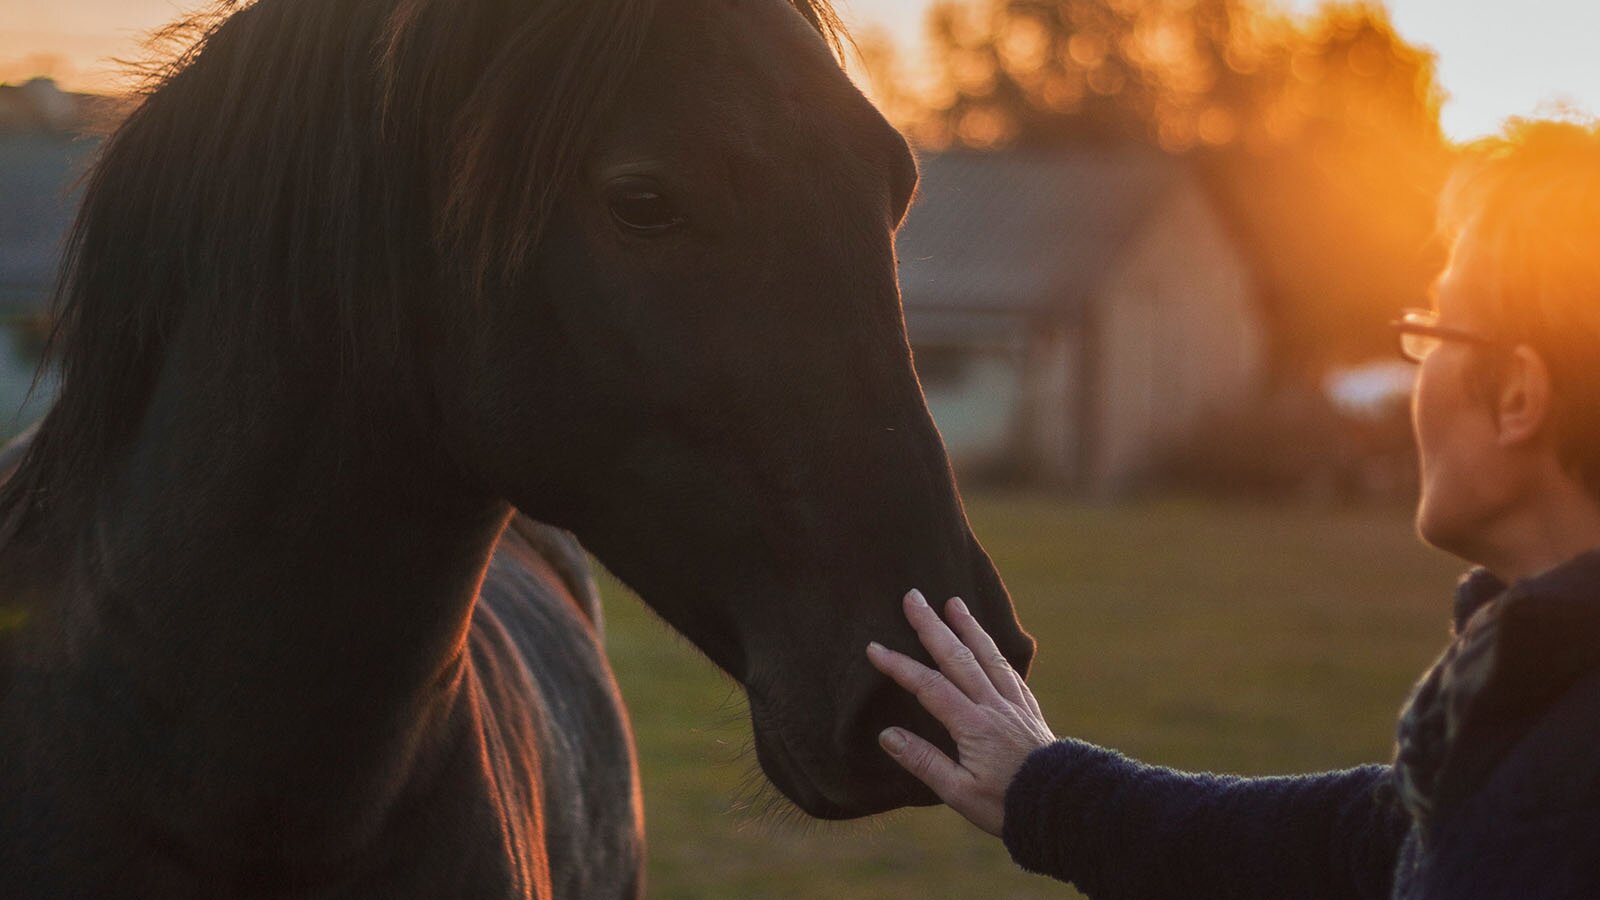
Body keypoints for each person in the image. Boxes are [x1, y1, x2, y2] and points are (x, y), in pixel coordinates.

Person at [867, 117, 1600, 899]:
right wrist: (1044, 788)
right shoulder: (1534, 721)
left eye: (1433, 328)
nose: (1419, 370)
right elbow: (1360, 843)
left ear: (1518, 395)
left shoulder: (1559, 790)